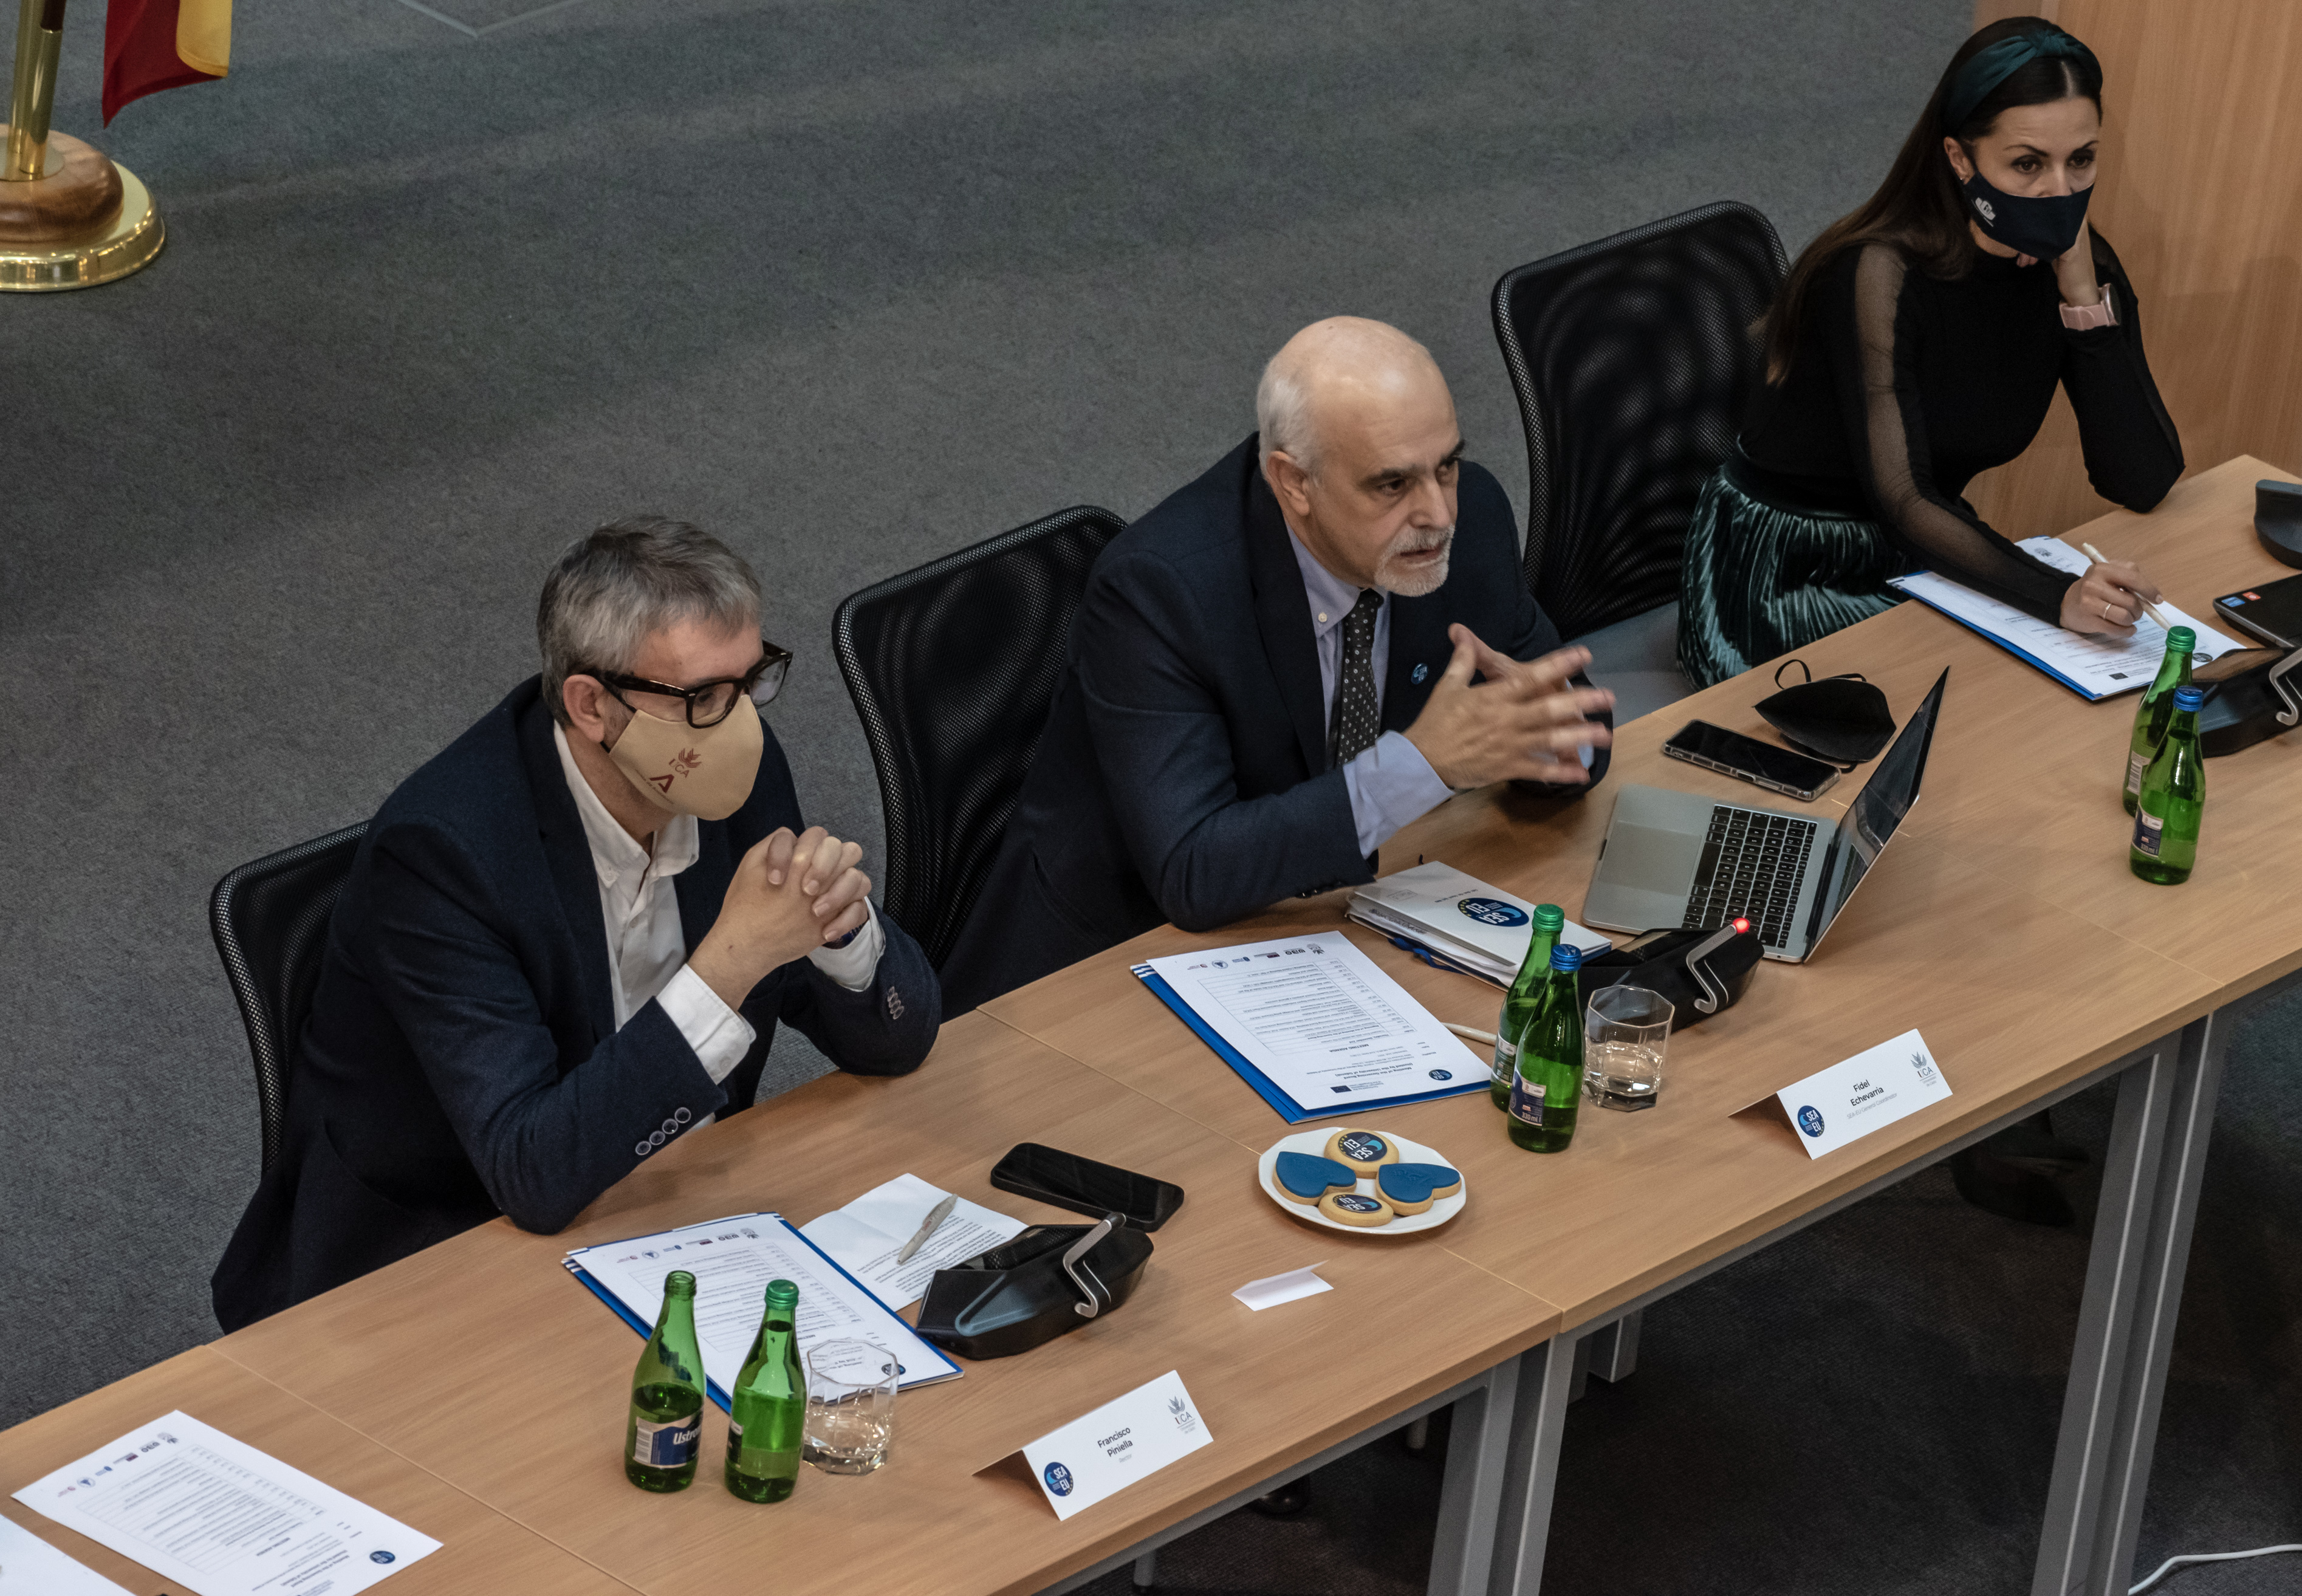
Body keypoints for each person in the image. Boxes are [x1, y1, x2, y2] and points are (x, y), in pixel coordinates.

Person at [212, 520, 939, 1332]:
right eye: (702, 698)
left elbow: (897, 1040)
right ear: (591, 704)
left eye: (751, 680)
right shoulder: (443, 856)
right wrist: (732, 961)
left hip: (667, 1206)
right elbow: (534, 1170)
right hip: (437, 1262)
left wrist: (842, 935)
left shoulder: (733, 770)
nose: (739, 723)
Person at [940, 317, 1615, 1017]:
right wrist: (1420, 765)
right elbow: (1192, 869)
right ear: (1294, 482)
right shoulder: (1163, 589)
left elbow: (1575, 727)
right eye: (1392, 484)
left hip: (1336, 927)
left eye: (1444, 465)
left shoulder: (1468, 521)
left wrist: (1542, 738)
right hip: (1113, 961)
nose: (1438, 511)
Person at [1676, 15, 2184, 689]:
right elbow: (1902, 496)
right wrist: (2058, 594)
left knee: (2030, 695)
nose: (2060, 191)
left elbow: (2142, 478)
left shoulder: (2078, 266)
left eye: (2081, 160)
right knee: (1982, 700)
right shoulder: (1876, 275)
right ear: (1959, 158)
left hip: (1923, 543)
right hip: (1793, 567)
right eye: (2027, 163)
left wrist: (2084, 302)